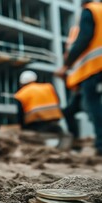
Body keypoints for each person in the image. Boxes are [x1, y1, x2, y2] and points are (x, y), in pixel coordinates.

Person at [55, 0, 102, 156]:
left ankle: (101, 145)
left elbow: (84, 40)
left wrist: (65, 66)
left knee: (94, 108)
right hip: (84, 78)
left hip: (95, 70)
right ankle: (75, 143)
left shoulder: (91, 10)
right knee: (72, 110)